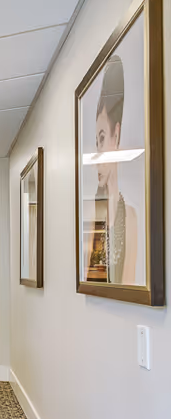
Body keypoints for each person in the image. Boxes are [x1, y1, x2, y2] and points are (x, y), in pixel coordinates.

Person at [87, 55, 137, 284]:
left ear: (116, 135)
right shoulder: (92, 215)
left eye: (102, 138)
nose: (97, 155)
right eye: (96, 143)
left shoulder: (130, 218)